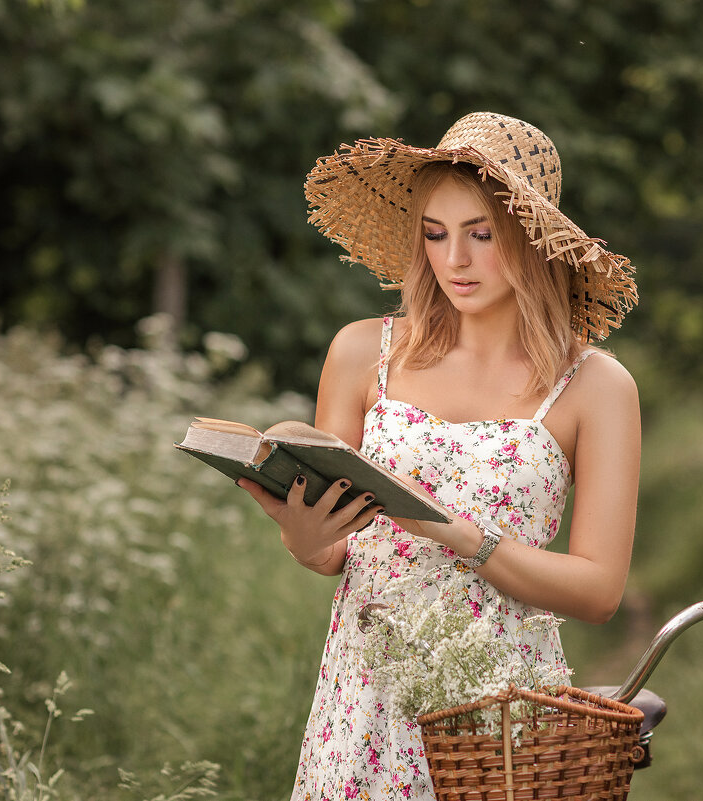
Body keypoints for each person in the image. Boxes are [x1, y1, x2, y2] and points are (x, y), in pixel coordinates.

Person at [236, 112, 641, 800]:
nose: (454, 259)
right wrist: (303, 537)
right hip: (366, 696)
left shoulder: (596, 386)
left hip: (502, 708)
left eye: (481, 234)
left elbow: (600, 591)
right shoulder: (364, 351)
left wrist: (459, 534)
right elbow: (335, 550)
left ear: (532, 235)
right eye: (435, 234)